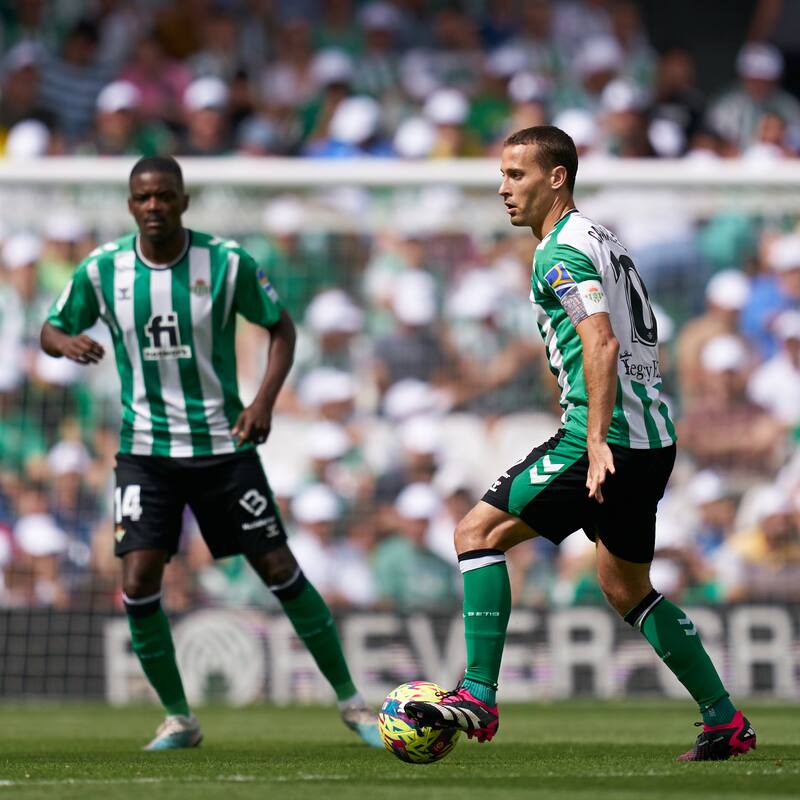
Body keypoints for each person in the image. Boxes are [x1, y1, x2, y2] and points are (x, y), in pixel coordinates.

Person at [404, 126, 756, 762]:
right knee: (625, 587)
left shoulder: (558, 253)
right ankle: (724, 720)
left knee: (475, 535)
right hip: (654, 439)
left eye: (518, 175)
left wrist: (593, 440)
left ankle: (477, 694)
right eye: (503, 176)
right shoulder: (603, 238)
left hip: (605, 439)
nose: (504, 189)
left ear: (556, 177)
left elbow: (601, 339)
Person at [40, 156, 381, 751]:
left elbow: (281, 327)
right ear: (130, 205)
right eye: (143, 198)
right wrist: (65, 341)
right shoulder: (103, 270)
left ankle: (353, 705)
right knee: (139, 577)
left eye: (165, 196)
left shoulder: (225, 263)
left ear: (183, 201)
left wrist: (265, 401)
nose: (154, 207)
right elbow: (49, 326)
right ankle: (179, 718)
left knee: (279, 569)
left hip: (224, 447)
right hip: (145, 452)